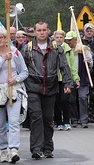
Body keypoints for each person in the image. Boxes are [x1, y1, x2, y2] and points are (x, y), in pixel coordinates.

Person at [21, 21, 72, 159]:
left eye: (44, 30)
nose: (42, 32)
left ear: (48, 31)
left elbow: (64, 66)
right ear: (35, 32)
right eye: (39, 30)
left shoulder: (56, 47)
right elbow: (21, 68)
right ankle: (36, 148)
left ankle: (48, 147)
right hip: (33, 87)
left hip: (51, 87)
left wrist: (68, 83)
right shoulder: (27, 48)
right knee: (36, 117)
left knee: (48, 119)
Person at [0, 28, 29, 163]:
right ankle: (3, 149)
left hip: (14, 90)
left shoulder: (15, 52)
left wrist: (16, 79)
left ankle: (14, 149)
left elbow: (25, 72)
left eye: (3, 37)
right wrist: (3, 60)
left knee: (14, 121)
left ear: (7, 38)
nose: (1, 40)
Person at [65, 31, 93, 128]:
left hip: (83, 77)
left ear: (75, 40)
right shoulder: (66, 50)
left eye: (70, 40)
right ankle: (74, 119)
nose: (68, 42)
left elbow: (91, 63)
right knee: (72, 99)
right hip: (70, 77)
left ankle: (84, 119)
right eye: (67, 40)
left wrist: (88, 62)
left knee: (83, 98)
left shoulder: (83, 49)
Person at [52, 30, 78, 131]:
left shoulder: (68, 50)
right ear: (54, 38)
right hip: (54, 78)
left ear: (64, 38)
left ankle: (67, 121)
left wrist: (75, 78)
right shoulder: (52, 49)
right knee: (56, 101)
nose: (59, 39)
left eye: (61, 37)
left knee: (65, 100)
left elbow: (72, 65)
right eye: (57, 37)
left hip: (65, 79)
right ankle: (58, 122)